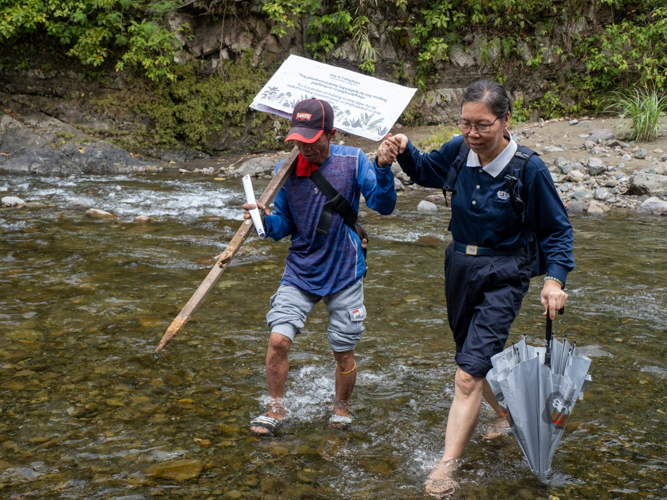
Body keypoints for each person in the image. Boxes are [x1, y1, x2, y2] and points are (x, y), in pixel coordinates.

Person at [376, 80, 573, 497]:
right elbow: (428, 171)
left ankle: (446, 467)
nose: (471, 133)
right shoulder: (459, 149)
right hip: (459, 264)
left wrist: (554, 279)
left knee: (466, 375)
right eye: (465, 123)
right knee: (471, 357)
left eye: (482, 125)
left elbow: (557, 231)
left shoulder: (528, 168)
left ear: (505, 121)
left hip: (506, 270)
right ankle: (508, 416)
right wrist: (406, 149)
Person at [244, 98, 397, 436]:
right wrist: (264, 221)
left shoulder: (353, 161)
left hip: (344, 270)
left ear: (332, 133)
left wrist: (384, 168)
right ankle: (276, 408)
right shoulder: (285, 170)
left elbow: (383, 205)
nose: (303, 148)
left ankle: (341, 408)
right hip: (301, 269)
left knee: (343, 351)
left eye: (311, 141)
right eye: (298, 140)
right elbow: (284, 224)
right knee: (278, 340)